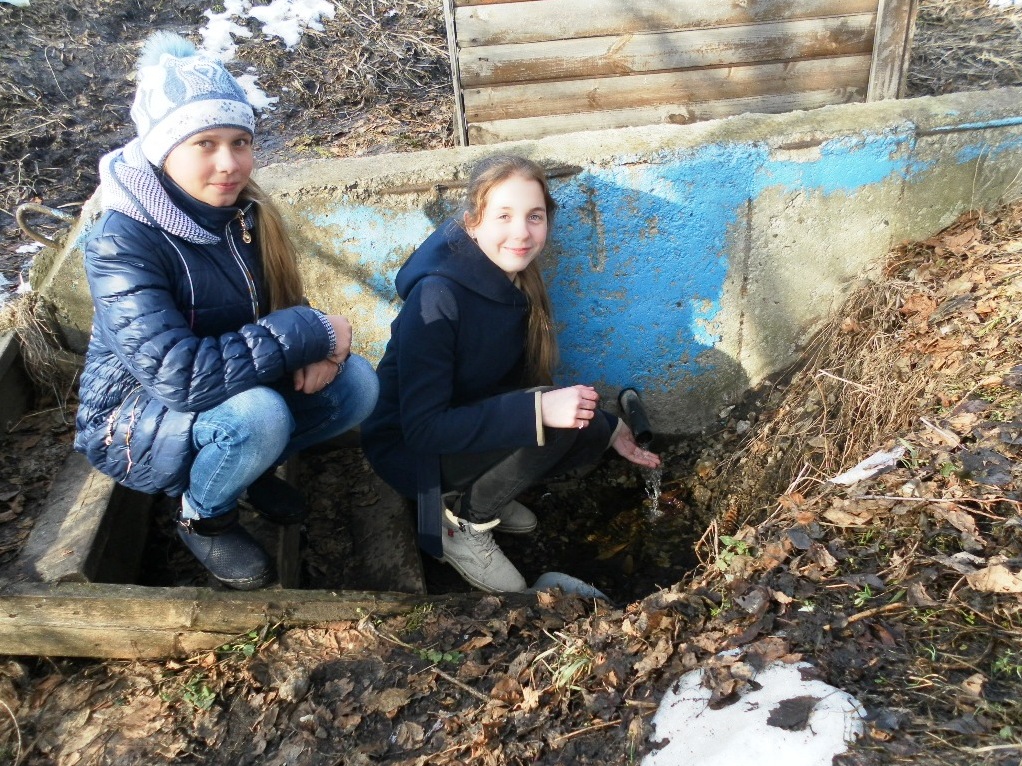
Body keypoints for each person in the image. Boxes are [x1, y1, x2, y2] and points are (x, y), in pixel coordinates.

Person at [74, 32, 378, 590]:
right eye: (205, 143)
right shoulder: (123, 241)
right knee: (258, 415)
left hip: (227, 386)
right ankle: (203, 517)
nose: (229, 163)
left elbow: (272, 308)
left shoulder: (242, 214)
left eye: (240, 141)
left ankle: (248, 469)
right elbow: (181, 378)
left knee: (355, 383)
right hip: (131, 414)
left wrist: (325, 347)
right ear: (163, 151)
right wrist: (313, 330)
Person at [361, 154, 660, 593]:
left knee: (576, 422)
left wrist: (611, 427)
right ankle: (463, 522)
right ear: (472, 223)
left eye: (533, 217)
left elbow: (510, 387)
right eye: (503, 215)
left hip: (461, 430)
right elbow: (423, 429)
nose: (521, 232)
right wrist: (538, 410)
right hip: (412, 453)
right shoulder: (437, 297)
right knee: (548, 419)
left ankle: (483, 494)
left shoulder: (514, 281)